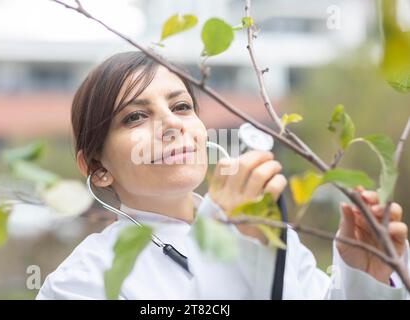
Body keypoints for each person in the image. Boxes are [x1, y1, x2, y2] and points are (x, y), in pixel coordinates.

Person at [36, 51, 409, 299]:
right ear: (97, 169)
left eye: (181, 107)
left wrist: (366, 276)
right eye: (135, 116)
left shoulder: (266, 229)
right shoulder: (80, 283)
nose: (171, 124)